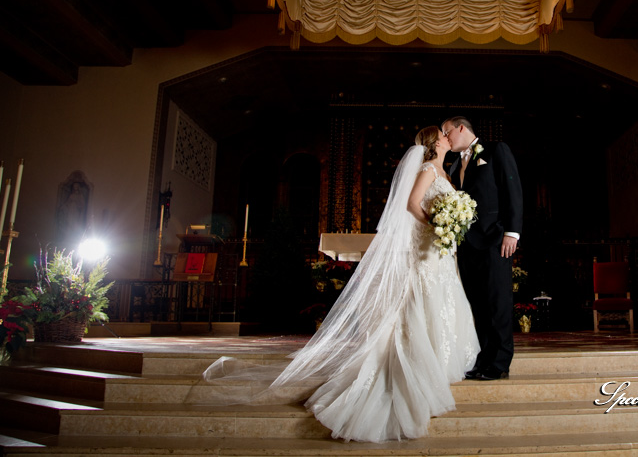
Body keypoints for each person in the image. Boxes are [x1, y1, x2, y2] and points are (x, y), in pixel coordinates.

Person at [190, 127, 479, 443]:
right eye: (443, 134)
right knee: (420, 305)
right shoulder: (426, 169)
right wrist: (436, 225)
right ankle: (416, 368)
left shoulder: (444, 171)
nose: (448, 136)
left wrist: (451, 224)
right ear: (434, 142)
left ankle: (438, 360)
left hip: (440, 252)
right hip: (427, 246)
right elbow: (411, 203)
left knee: (440, 303)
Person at [441, 116, 523, 381]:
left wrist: (512, 232)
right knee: (477, 304)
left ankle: (499, 363)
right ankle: (483, 360)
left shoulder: (496, 150)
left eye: (447, 131)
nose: (446, 137)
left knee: (497, 302)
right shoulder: (453, 166)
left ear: (461, 128)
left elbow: (513, 189)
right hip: (467, 245)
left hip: (495, 241)